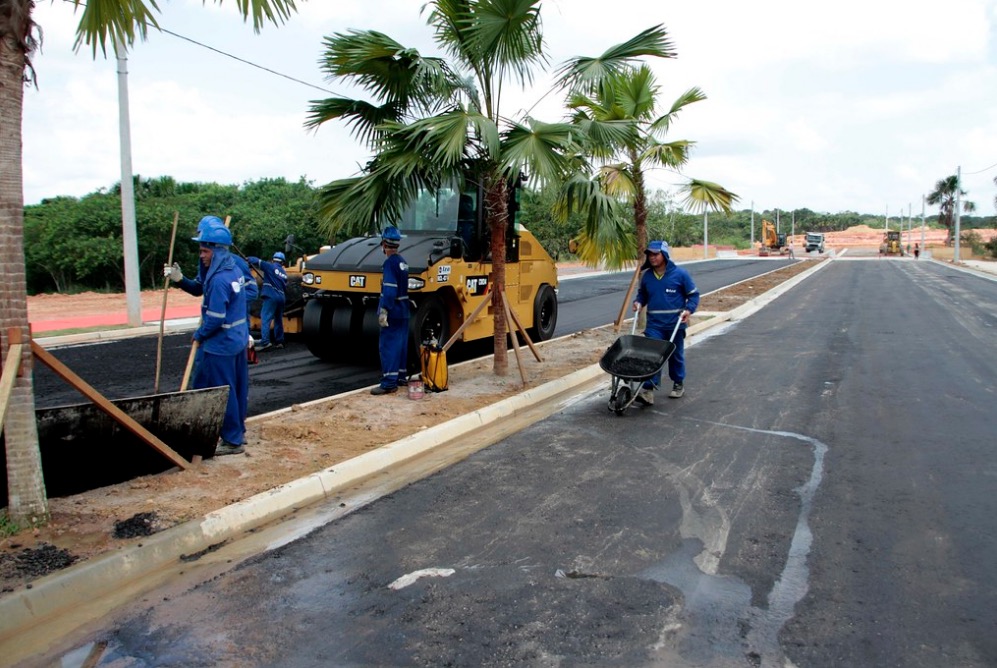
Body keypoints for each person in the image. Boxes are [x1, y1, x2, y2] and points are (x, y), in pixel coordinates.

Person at [632, 240, 699, 405]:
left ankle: (678, 383)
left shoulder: (680, 275)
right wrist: (638, 302)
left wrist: (689, 310)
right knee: (653, 355)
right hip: (655, 324)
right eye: (650, 255)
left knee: (675, 355)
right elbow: (643, 295)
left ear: (664, 255)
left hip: (675, 324)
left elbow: (693, 295)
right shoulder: (647, 276)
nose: (652, 258)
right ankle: (648, 390)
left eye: (656, 254)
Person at [371, 226, 410, 395]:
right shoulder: (403, 262)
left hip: (393, 310)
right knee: (401, 344)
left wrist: (385, 310)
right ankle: (400, 377)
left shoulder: (389, 264)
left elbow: (389, 289)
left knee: (388, 346)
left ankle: (388, 383)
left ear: (384, 244)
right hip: (404, 310)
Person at [247, 251, 288, 351]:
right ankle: (279, 341)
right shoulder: (284, 273)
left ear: (273, 259)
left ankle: (265, 342)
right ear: (283, 262)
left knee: (266, 318)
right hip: (281, 298)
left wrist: (247, 259)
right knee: (278, 319)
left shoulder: (270, 267)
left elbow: (256, 261)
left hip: (271, 296)